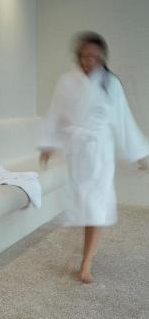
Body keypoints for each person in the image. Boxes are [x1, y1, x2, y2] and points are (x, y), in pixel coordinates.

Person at [39, 31, 149, 283]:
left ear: (102, 57)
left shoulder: (111, 83)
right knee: (81, 206)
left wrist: (139, 153)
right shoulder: (67, 81)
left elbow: (123, 120)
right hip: (77, 153)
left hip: (99, 153)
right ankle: (84, 253)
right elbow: (55, 113)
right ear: (77, 56)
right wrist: (48, 143)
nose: (88, 61)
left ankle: (86, 263)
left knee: (97, 208)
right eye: (83, 56)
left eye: (93, 56)